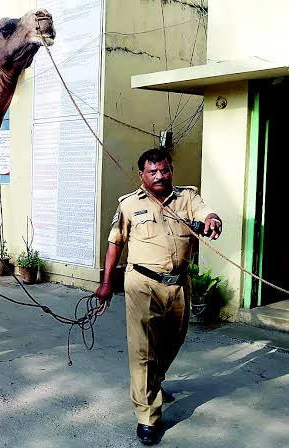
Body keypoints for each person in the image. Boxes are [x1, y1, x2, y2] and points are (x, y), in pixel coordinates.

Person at [95, 148, 222, 446]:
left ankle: (153, 383)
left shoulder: (187, 198)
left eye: (164, 170)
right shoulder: (128, 205)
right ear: (142, 175)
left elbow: (206, 213)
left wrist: (213, 219)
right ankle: (148, 417)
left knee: (172, 340)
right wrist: (105, 282)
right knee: (142, 351)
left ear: (171, 171)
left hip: (179, 284)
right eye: (153, 172)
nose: (159, 176)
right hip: (142, 284)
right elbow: (115, 243)